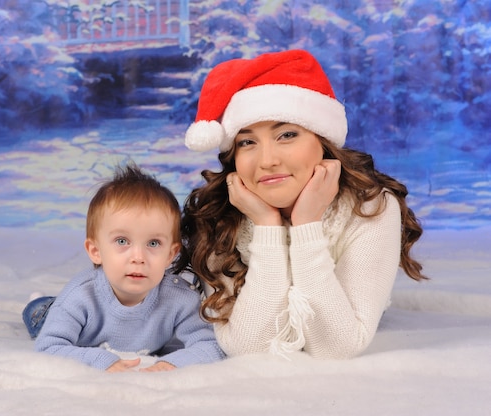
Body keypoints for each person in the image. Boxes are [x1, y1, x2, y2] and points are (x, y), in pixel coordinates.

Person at [173, 49, 427, 360]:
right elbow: (250, 347)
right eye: (247, 142)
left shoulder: (370, 208)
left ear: (322, 142)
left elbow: (336, 347)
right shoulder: (217, 215)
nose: (267, 160)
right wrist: (267, 226)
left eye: (287, 135)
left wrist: (307, 226)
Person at [24, 163, 225, 372]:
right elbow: (48, 347)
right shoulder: (80, 296)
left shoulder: (180, 298)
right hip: (59, 316)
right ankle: (41, 304)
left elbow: (210, 345)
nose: (138, 258)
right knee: (39, 314)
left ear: (170, 254)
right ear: (95, 251)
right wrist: (99, 359)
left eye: (153, 243)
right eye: (122, 241)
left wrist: (171, 364)